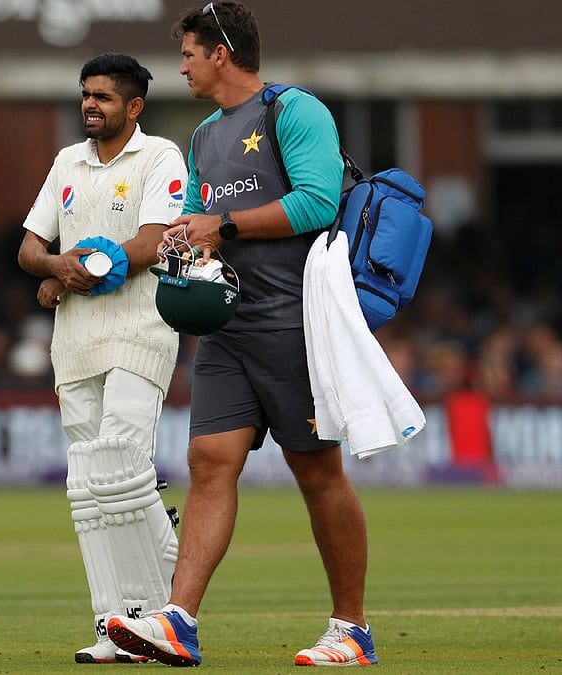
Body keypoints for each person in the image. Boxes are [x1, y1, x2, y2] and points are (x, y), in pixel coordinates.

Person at [105, 2, 378, 668]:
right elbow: (198, 217)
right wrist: (180, 237)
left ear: (221, 53)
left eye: (190, 54)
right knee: (209, 464)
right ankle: (179, 621)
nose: (183, 66)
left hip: (294, 319)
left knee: (316, 469)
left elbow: (318, 201)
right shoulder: (203, 136)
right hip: (227, 324)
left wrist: (218, 227)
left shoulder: (295, 111)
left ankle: (353, 628)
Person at [17, 52, 187, 665]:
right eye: (86, 95)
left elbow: (149, 243)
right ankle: (113, 622)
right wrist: (56, 267)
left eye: (104, 97)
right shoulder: (67, 161)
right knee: (90, 486)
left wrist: (70, 269)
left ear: (133, 106)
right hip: (76, 343)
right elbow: (30, 248)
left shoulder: (161, 155)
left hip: (142, 330)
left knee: (119, 465)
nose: (91, 104)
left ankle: (159, 606)